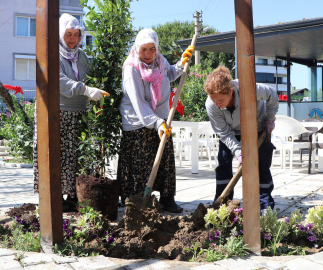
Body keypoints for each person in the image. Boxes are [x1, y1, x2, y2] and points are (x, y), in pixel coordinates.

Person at [33, 13, 108, 210]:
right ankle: (55, 197)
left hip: (80, 113)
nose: (73, 38)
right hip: (59, 112)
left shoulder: (81, 56)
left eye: (76, 34)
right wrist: (85, 89)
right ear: (60, 34)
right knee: (58, 155)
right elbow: (58, 81)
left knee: (77, 156)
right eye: (69, 34)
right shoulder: (52, 53)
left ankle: (74, 197)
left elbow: (91, 77)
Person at [117, 29, 194, 213]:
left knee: (165, 159)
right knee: (140, 164)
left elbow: (169, 74)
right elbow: (138, 103)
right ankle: (135, 200)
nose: (148, 54)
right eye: (144, 49)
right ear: (137, 48)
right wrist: (156, 122)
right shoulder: (131, 68)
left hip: (160, 118)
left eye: (152, 48)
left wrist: (181, 64)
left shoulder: (160, 60)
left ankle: (167, 200)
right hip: (137, 122)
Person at [204, 66, 278, 213]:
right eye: (214, 100)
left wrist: (270, 119)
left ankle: (264, 203)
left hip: (256, 128)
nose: (217, 104)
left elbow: (273, 95)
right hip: (231, 132)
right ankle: (223, 203)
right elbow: (224, 133)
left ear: (230, 92)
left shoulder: (251, 88)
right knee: (223, 163)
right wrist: (238, 152)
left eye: (220, 100)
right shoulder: (211, 104)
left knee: (262, 165)